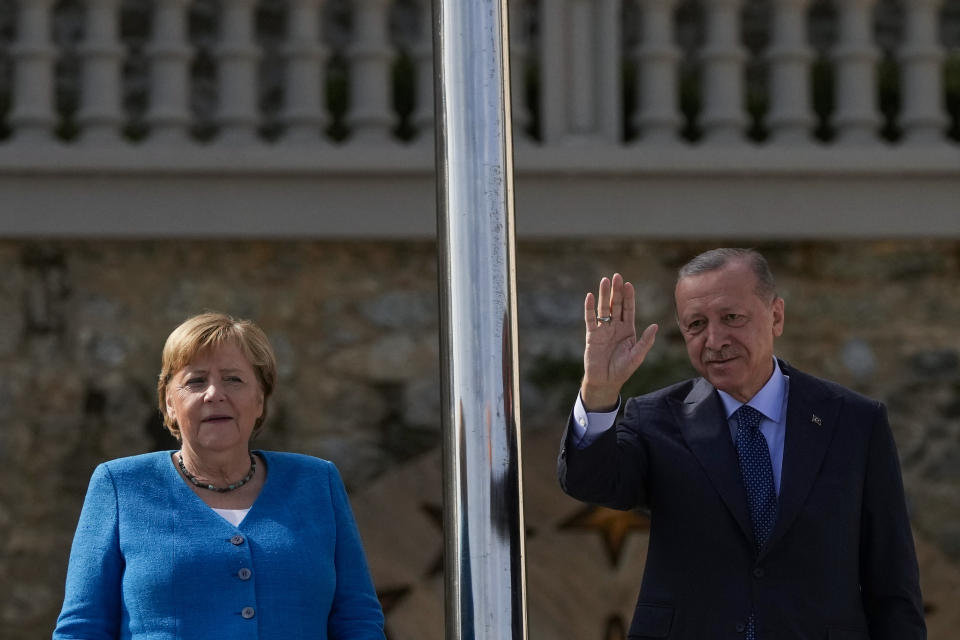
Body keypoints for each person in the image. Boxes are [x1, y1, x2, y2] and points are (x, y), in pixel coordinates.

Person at [558, 248, 925, 639]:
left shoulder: (854, 422)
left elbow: (892, 583)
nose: (715, 340)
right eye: (696, 324)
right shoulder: (656, 419)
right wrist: (599, 388)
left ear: (776, 316)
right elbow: (589, 481)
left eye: (732, 318)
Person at [54, 312, 386, 640]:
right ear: (170, 403)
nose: (214, 394)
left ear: (260, 399)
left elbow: (358, 620)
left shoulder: (317, 482)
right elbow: (82, 629)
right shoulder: (120, 486)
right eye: (196, 381)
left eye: (233, 379)